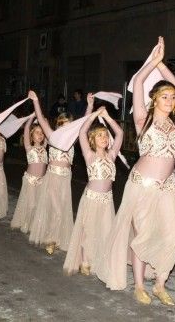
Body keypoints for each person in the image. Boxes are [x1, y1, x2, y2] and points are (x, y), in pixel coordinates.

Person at [96, 37, 175, 306]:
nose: (170, 100)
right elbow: (137, 84)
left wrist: (163, 63)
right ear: (154, 100)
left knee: (173, 234)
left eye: (172, 97)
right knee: (143, 234)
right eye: (164, 96)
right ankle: (139, 285)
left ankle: (160, 284)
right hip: (142, 183)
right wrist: (152, 64)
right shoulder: (143, 119)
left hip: (168, 185)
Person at [28, 90, 92, 255]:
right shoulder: (52, 136)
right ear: (59, 125)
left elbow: (84, 125)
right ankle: (51, 238)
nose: (68, 129)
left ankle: (57, 237)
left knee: (62, 208)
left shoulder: (72, 140)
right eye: (65, 125)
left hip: (65, 177)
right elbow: (41, 119)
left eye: (70, 126)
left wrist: (90, 105)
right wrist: (36, 100)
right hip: (53, 177)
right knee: (56, 209)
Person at [63, 103, 123, 276]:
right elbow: (82, 131)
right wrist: (94, 114)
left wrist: (108, 117)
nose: (104, 138)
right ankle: (84, 260)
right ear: (92, 140)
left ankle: (99, 259)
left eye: (105, 135)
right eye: (99, 136)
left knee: (105, 230)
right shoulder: (89, 155)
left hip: (107, 199)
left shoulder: (112, 155)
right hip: (91, 198)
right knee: (88, 230)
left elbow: (119, 133)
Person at [10, 115, 48, 233]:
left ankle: (34, 225)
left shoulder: (45, 147)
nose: (40, 135)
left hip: (42, 180)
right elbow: (26, 128)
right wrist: (32, 117)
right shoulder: (29, 147)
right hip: (30, 180)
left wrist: (44, 122)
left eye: (42, 133)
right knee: (31, 204)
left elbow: (47, 133)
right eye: (37, 132)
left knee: (38, 204)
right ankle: (26, 223)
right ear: (31, 136)